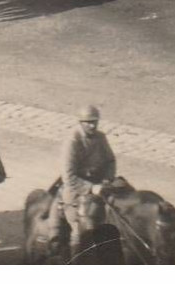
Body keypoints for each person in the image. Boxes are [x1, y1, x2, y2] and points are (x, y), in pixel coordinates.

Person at [60, 104, 117, 253]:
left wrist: (107, 179)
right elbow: (68, 176)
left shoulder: (101, 137)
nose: (93, 125)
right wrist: (91, 188)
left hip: (101, 186)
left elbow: (110, 161)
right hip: (77, 192)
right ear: (81, 122)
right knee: (82, 229)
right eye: (89, 122)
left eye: (95, 122)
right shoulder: (72, 142)